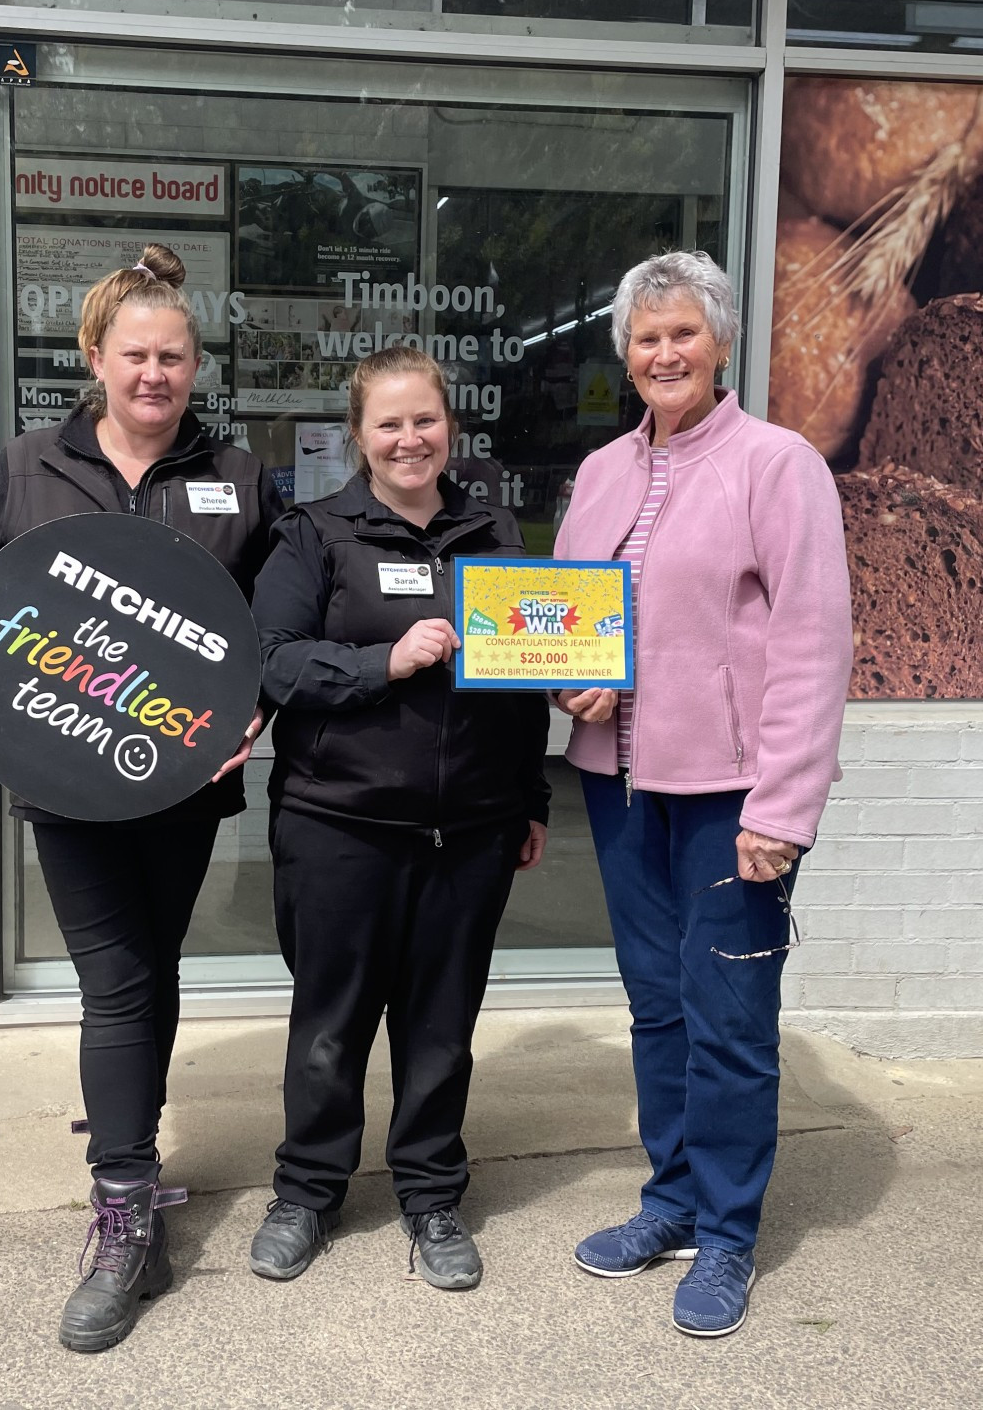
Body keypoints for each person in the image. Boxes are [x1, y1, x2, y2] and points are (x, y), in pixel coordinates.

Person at [0, 244, 282, 1354]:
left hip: (180, 782)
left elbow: (271, 614)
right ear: (96, 357)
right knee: (115, 982)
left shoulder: (237, 472)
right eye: (135, 355)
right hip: (68, 773)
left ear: (193, 363)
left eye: (172, 356)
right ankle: (123, 1205)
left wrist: (257, 702)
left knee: (149, 969)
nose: (154, 374)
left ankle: (135, 1156)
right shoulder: (32, 463)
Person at [552, 250, 851, 1338]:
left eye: (681, 333)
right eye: (643, 336)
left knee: (728, 1021)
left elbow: (815, 645)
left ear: (718, 344)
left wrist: (783, 809)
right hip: (620, 787)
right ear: (622, 353)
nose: (662, 353)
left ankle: (725, 1232)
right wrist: (565, 685)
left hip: (732, 797)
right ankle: (668, 1199)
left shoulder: (778, 466)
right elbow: (565, 619)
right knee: (655, 1010)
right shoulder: (596, 473)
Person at [246, 345, 550, 1291]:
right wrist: (386, 663)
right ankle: (307, 1192)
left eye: (425, 420)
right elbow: (271, 661)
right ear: (359, 436)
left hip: (472, 832)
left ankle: (431, 1196)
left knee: (441, 1027)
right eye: (390, 423)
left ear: (449, 426)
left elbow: (523, 684)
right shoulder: (315, 534)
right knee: (330, 1024)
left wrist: (531, 797)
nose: (409, 438)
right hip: (339, 824)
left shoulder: (494, 533)